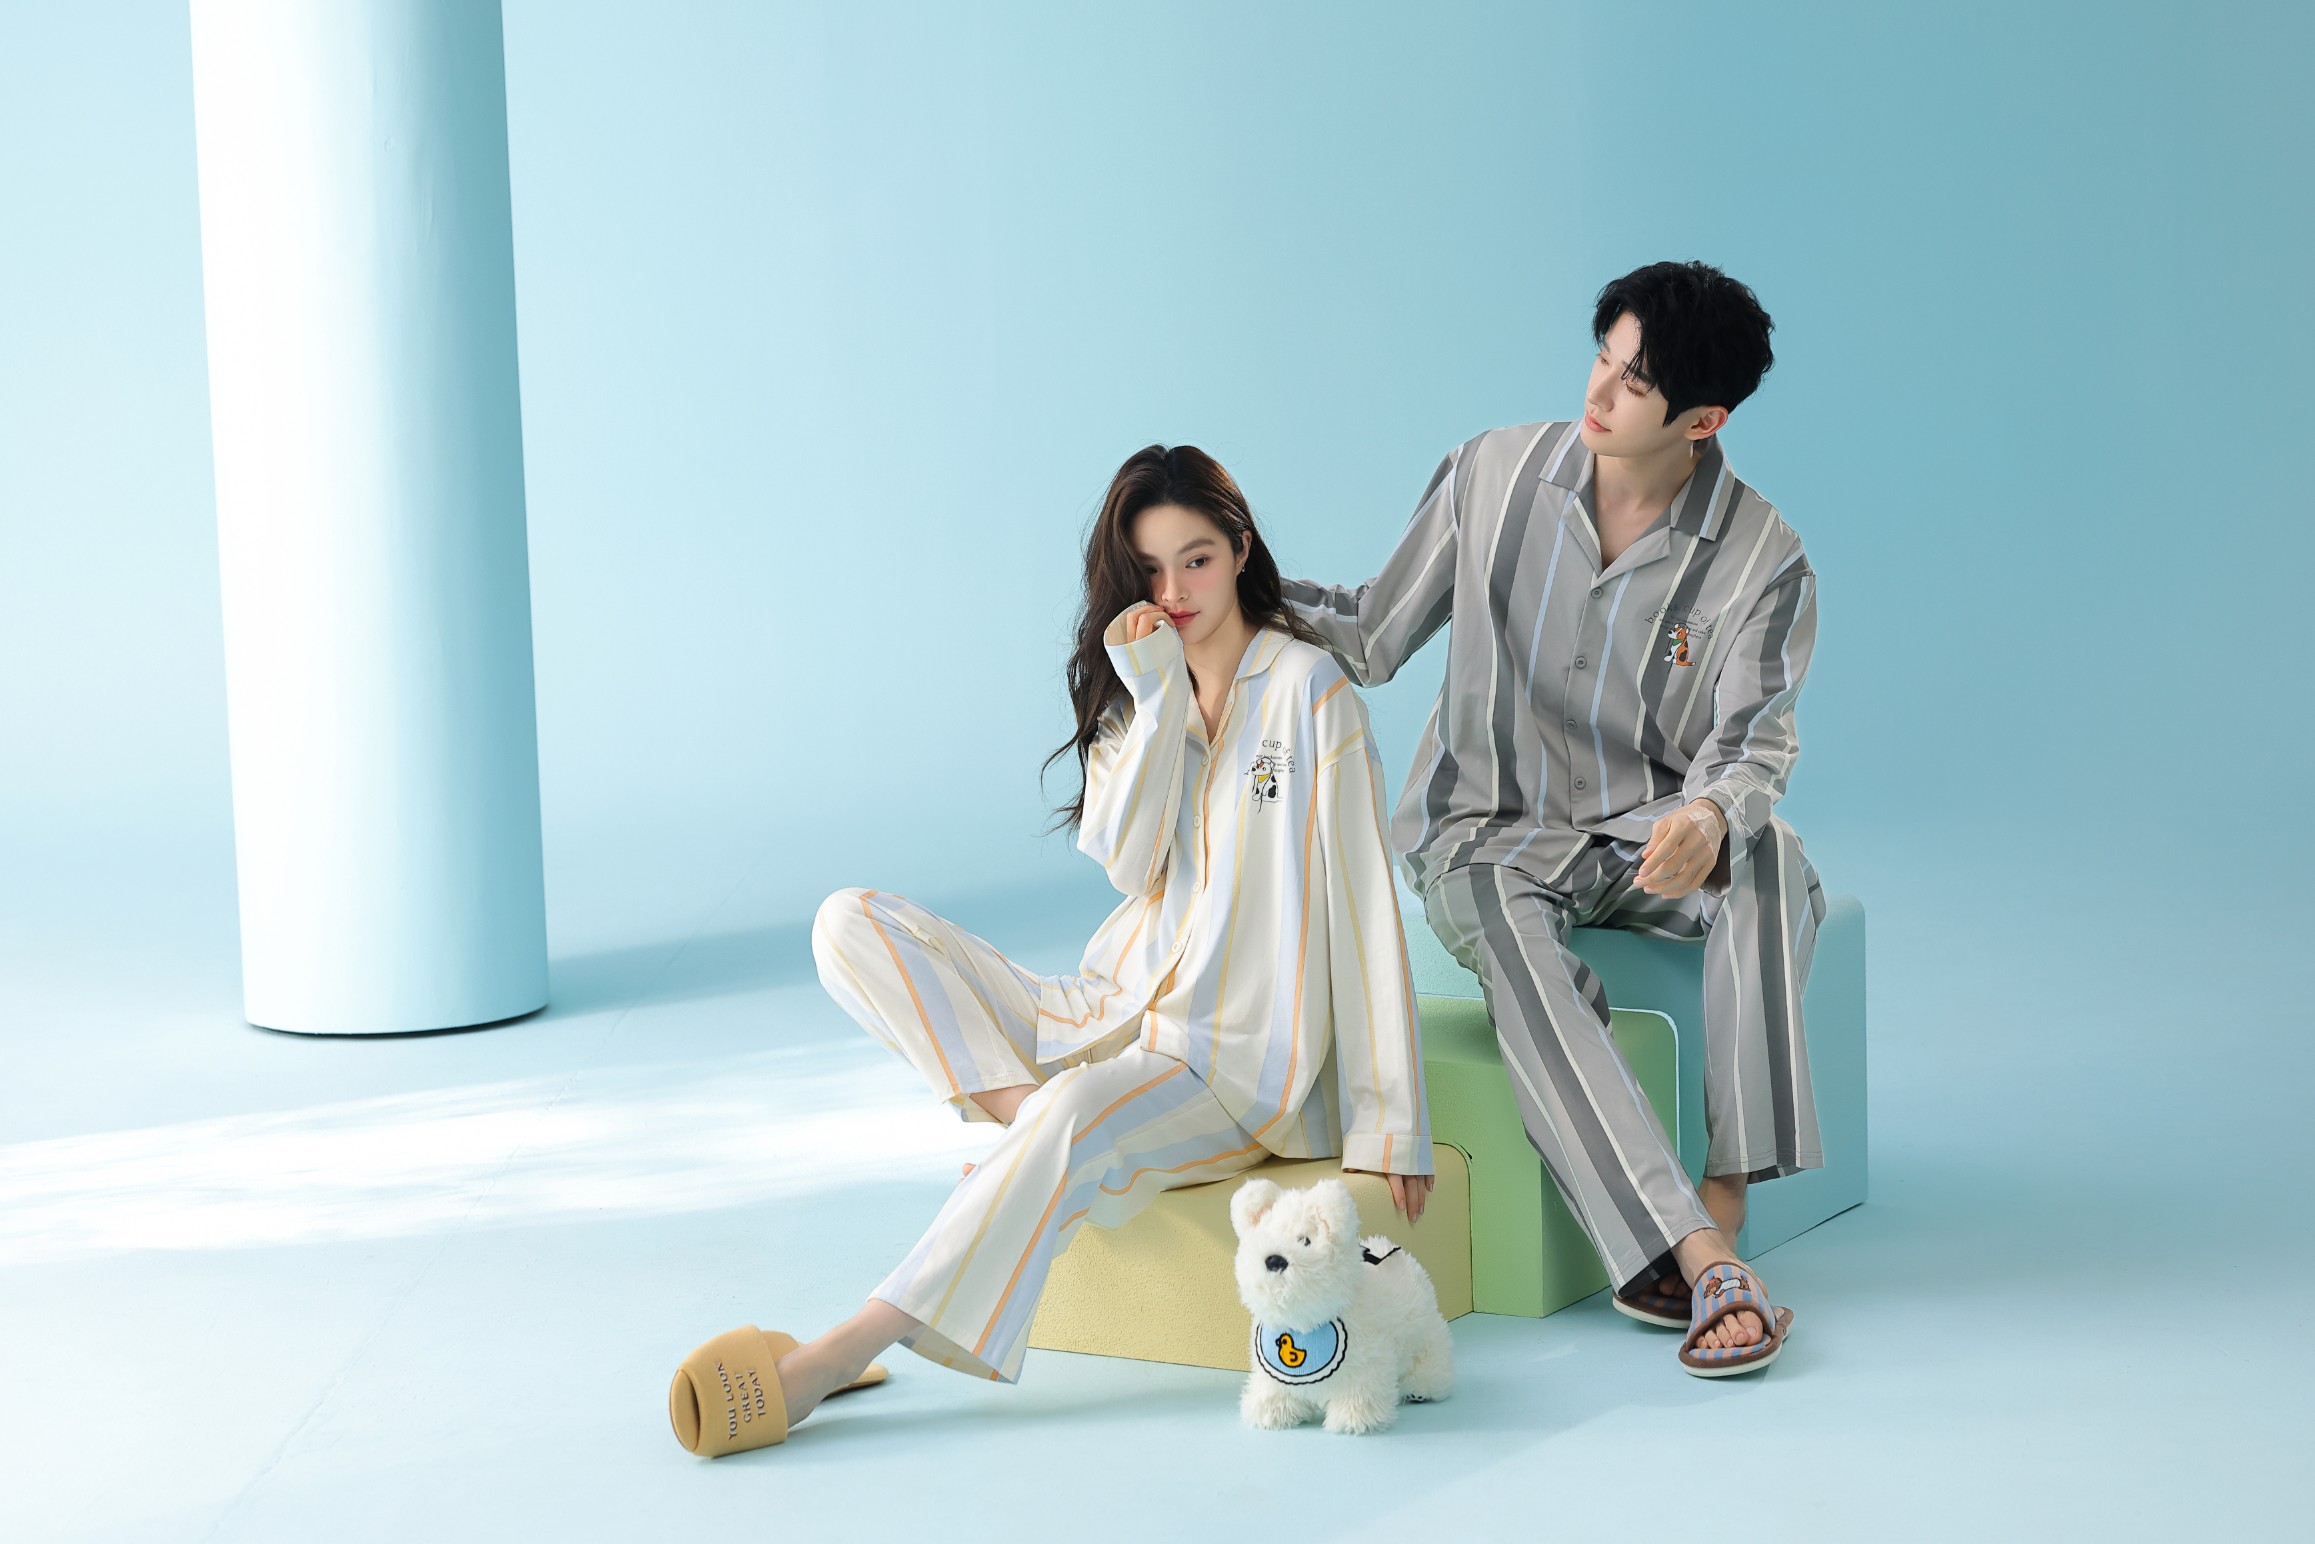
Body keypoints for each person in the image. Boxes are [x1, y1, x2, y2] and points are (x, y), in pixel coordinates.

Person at [667, 444, 1434, 1456]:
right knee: (847, 921)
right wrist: (1156, 700)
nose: (1174, 592)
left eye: (1196, 560)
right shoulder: (1142, 687)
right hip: (1105, 1008)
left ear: (1241, 550)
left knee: (1074, 1111)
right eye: (1150, 570)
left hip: (1228, 1065)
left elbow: (1364, 901)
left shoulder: (1307, 691)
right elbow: (1125, 861)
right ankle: (1026, 1130)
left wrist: (1390, 1122)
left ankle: (835, 1352)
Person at [1283, 261, 1822, 1377]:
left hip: (1639, 834)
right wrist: (1223, 582)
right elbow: (1371, 633)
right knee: (1508, 931)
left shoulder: (1763, 559)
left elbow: (1753, 741)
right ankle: (1687, 1248)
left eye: (1636, 383)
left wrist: (1709, 815)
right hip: (1484, 826)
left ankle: (1723, 1188)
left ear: (1703, 420)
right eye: (1602, 359)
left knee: (1773, 861)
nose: (1600, 392)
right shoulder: (1489, 472)